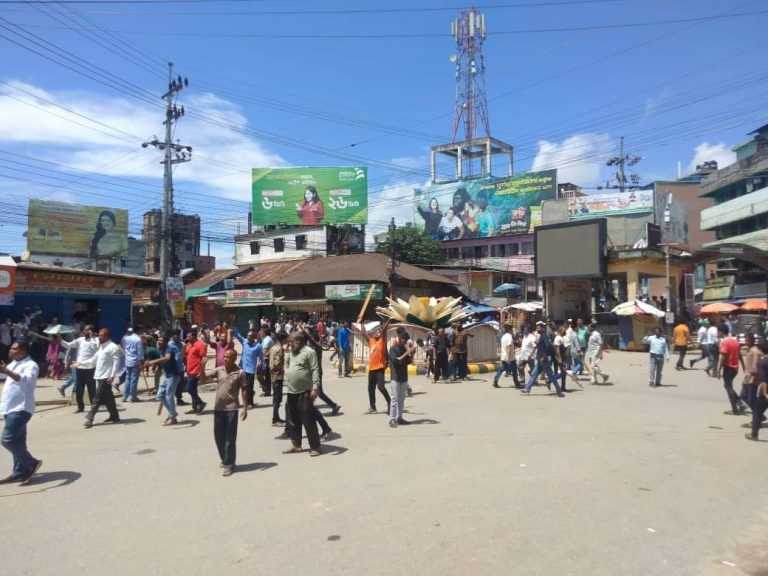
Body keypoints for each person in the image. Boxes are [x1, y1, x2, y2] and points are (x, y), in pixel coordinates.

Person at [0, 341, 42, 484]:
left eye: (14, 349)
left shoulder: (31, 365)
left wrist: (6, 371)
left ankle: (31, 462)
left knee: (8, 440)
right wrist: (5, 371)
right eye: (10, 348)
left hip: (21, 408)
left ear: (23, 350)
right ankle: (19, 472)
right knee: (18, 441)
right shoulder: (12, 364)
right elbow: (7, 379)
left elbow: (26, 379)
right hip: (8, 408)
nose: (10, 351)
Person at [201, 348, 248, 476]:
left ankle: (229, 464)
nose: (225, 359)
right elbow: (204, 379)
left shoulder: (240, 373)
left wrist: (245, 407)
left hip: (232, 408)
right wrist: (202, 366)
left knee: (230, 438)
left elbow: (244, 390)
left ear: (234, 359)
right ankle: (224, 459)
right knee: (219, 437)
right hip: (218, 408)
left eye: (228, 357)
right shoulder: (219, 370)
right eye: (224, 357)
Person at [281, 332, 322, 457]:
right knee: (293, 419)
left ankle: (315, 447)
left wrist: (315, 387)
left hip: (305, 391)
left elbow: (315, 369)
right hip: (291, 391)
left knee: (308, 420)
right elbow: (286, 364)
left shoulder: (309, 352)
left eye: (291, 341)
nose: (289, 344)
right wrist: (287, 372)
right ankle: (296, 444)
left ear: (299, 341)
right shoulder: (291, 352)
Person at [84, 328, 122, 428]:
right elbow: (94, 359)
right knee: (108, 397)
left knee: (97, 397)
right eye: (99, 335)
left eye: (101, 336)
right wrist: (81, 363)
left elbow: (116, 363)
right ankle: (114, 415)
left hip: (106, 376)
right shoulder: (101, 347)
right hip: (99, 375)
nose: (99, 337)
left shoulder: (112, 347)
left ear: (107, 337)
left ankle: (90, 417)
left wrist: (112, 375)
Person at [146, 331, 184, 426]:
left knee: (169, 396)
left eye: (161, 340)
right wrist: (153, 365)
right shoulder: (161, 349)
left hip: (174, 375)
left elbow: (167, 358)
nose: (159, 342)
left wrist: (153, 362)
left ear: (166, 342)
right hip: (166, 375)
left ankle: (173, 418)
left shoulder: (169, 348)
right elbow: (162, 361)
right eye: (159, 340)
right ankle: (173, 413)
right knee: (160, 395)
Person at [60, 325, 99, 413]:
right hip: (79, 367)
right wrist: (60, 339)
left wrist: (92, 336)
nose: (85, 332)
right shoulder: (80, 340)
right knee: (79, 388)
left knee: (91, 388)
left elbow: (98, 347)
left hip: (90, 368)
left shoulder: (96, 340)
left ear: (91, 331)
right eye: (84, 330)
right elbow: (68, 345)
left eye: (87, 330)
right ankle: (80, 407)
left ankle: (94, 407)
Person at [521, 321, 564, 397]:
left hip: (544, 360)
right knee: (534, 374)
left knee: (551, 376)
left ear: (543, 328)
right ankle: (527, 388)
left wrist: (544, 356)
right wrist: (537, 345)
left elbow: (548, 347)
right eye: (536, 328)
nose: (537, 329)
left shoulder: (544, 336)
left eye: (538, 328)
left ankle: (559, 391)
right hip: (540, 360)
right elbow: (541, 346)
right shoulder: (541, 336)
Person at [359, 320, 392, 413]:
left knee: (381, 387)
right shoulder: (371, 340)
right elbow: (363, 332)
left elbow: (384, 331)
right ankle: (373, 407)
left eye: (379, 331)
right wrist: (363, 324)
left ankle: (390, 402)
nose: (378, 332)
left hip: (380, 368)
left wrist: (388, 322)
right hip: (372, 369)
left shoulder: (382, 341)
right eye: (376, 331)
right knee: (370, 388)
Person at [715, 324, 747, 415]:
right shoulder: (735, 341)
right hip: (735, 368)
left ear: (721, 332)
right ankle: (739, 402)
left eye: (718, 331)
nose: (717, 333)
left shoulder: (725, 342)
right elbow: (740, 355)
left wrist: (718, 370)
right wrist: (743, 366)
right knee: (728, 386)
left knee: (728, 387)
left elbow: (722, 356)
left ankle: (735, 409)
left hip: (728, 368)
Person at [388, 329, 415, 427]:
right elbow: (396, 361)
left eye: (407, 340)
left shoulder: (404, 349)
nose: (405, 342)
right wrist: (407, 353)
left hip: (404, 377)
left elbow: (408, 361)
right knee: (394, 399)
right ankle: (392, 419)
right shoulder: (393, 349)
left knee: (401, 399)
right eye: (405, 340)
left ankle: (400, 417)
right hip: (395, 377)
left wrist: (411, 354)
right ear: (400, 339)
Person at [231, 327, 263, 408]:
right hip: (241, 368)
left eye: (251, 336)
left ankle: (250, 403)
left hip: (251, 370)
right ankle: (237, 401)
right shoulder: (244, 342)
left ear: (254, 337)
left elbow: (261, 357)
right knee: (237, 386)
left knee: (248, 387)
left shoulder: (258, 346)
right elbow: (238, 335)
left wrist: (260, 364)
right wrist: (232, 326)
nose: (249, 337)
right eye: (248, 335)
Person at [745, 343, 768, 441]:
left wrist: (765, 393)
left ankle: (754, 435)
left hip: (765, 391)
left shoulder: (763, 362)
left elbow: (764, 380)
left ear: (762, 350)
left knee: (757, 412)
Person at [184, 329, 208, 414]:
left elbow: (204, 358)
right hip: (189, 370)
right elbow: (186, 355)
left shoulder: (200, 345)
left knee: (189, 388)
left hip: (196, 371)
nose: (187, 338)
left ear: (194, 336)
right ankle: (195, 408)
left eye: (189, 337)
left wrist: (202, 371)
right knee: (193, 389)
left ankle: (201, 403)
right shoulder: (190, 345)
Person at [120, 327, 144, 402]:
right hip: (135, 361)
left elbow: (123, 347)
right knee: (134, 379)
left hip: (128, 360)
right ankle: (133, 396)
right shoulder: (138, 339)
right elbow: (140, 352)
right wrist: (141, 362)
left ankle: (125, 396)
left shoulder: (124, 338)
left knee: (128, 379)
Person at [269, 332, 288, 426]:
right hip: (278, 375)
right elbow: (276, 363)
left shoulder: (273, 347)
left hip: (273, 375)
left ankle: (276, 417)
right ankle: (275, 419)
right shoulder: (279, 349)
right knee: (277, 398)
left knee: (276, 398)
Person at [742, 334, 761, 416]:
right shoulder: (749, 350)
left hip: (752, 379)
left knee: (751, 400)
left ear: (753, 341)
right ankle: (759, 415)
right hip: (747, 378)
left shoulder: (755, 351)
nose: (746, 342)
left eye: (748, 340)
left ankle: (757, 417)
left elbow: (755, 367)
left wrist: (748, 376)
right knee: (743, 396)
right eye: (746, 340)